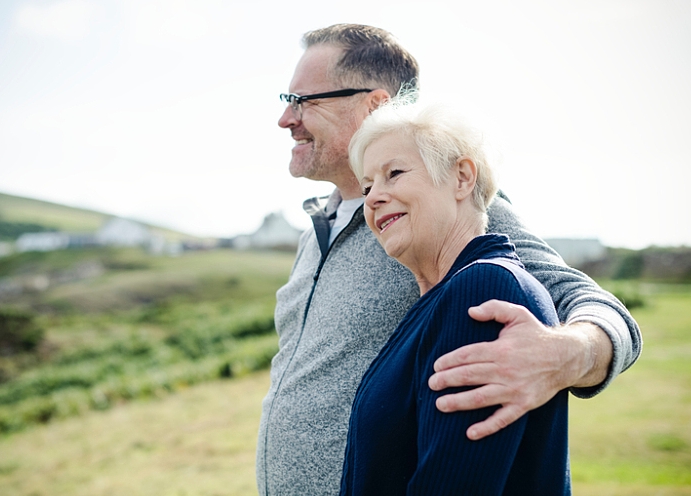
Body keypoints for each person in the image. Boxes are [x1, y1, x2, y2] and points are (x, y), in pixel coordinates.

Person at [257, 24, 641, 496]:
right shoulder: (317, 230)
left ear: (375, 105)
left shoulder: (448, 208)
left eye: (302, 100)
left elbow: (585, 300)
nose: (286, 118)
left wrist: (570, 354)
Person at [340, 98, 568, 495]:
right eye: (367, 185)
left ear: (462, 178)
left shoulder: (483, 290)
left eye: (394, 173)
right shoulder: (442, 300)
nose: (373, 197)